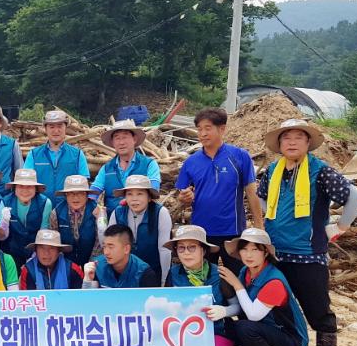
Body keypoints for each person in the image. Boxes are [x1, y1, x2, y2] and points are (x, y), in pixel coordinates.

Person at [256, 118, 357, 346]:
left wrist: (341, 227)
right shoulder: (273, 170)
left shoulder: (320, 171)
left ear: (308, 143)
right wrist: (268, 219)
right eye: (286, 137)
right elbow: (261, 196)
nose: (292, 142)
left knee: (317, 307)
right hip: (276, 252)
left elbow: (355, 197)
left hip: (308, 254)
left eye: (298, 137)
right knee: (279, 305)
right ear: (279, 144)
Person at [175, 107, 263, 274]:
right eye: (199, 129)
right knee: (203, 277)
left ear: (222, 129)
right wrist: (184, 198)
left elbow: (252, 194)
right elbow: (182, 197)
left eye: (208, 128)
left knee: (238, 276)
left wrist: (259, 227)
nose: (203, 134)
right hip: (201, 233)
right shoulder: (191, 162)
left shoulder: (239, 156)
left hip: (233, 231)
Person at [217, 228, 309, 346]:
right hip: (268, 329)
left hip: (291, 339)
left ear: (265, 252)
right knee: (226, 325)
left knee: (244, 328)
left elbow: (253, 315)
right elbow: (242, 304)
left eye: (255, 249)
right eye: (244, 249)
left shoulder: (274, 281)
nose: (249, 255)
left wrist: (236, 285)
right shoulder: (246, 272)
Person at [163, 225, 237, 346]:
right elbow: (166, 304)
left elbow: (237, 306)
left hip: (215, 332)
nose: (186, 252)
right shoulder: (173, 273)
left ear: (203, 250)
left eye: (192, 247)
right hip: (181, 333)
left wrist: (224, 311)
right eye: (181, 248)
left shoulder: (219, 274)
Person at [107, 174, 172, 284]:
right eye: (129, 194)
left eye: (140, 194)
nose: (134, 199)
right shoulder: (118, 213)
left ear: (149, 197)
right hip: (125, 275)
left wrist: (163, 280)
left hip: (153, 273)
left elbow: (164, 249)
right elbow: (110, 245)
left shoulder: (161, 213)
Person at [91, 119, 160, 211]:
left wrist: (129, 201)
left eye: (125, 137)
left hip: (142, 217)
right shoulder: (106, 169)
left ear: (134, 139)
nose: (121, 142)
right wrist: (91, 205)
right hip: (113, 218)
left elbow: (153, 191)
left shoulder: (149, 164)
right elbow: (94, 191)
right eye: (117, 138)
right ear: (113, 142)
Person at [23, 110, 89, 199]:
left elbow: (84, 183)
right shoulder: (34, 155)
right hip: (41, 205)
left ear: (66, 128)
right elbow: (26, 182)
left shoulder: (77, 155)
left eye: (60, 126)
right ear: (45, 129)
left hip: (67, 205)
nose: (56, 131)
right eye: (51, 127)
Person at [1, 169, 52, 268]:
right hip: (10, 253)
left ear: (35, 188)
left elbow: (43, 234)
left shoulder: (45, 203)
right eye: (20, 186)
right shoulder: (5, 202)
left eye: (29, 186)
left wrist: (34, 257)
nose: (25, 190)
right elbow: (2, 236)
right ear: (14, 187)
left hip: (35, 254)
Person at [82, 224, 160, 288]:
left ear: (126, 249)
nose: (106, 252)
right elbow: (88, 300)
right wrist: (87, 280)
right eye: (104, 246)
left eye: (111, 247)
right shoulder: (97, 266)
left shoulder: (144, 273)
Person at [50, 175, 100, 267]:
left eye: (80, 193)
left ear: (87, 195)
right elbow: (54, 244)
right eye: (71, 193)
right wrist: (64, 266)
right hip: (65, 264)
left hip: (92, 263)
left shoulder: (97, 211)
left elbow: (100, 242)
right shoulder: (56, 213)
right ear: (66, 195)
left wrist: (91, 265)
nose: (75, 197)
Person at [19, 229, 84, 290]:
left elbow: (83, 295)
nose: (46, 253)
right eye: (42, 248)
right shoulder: (28, 270)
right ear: (36, 250)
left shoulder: (72, 269)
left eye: (52, 248)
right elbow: (26, 296)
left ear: (59, 251)